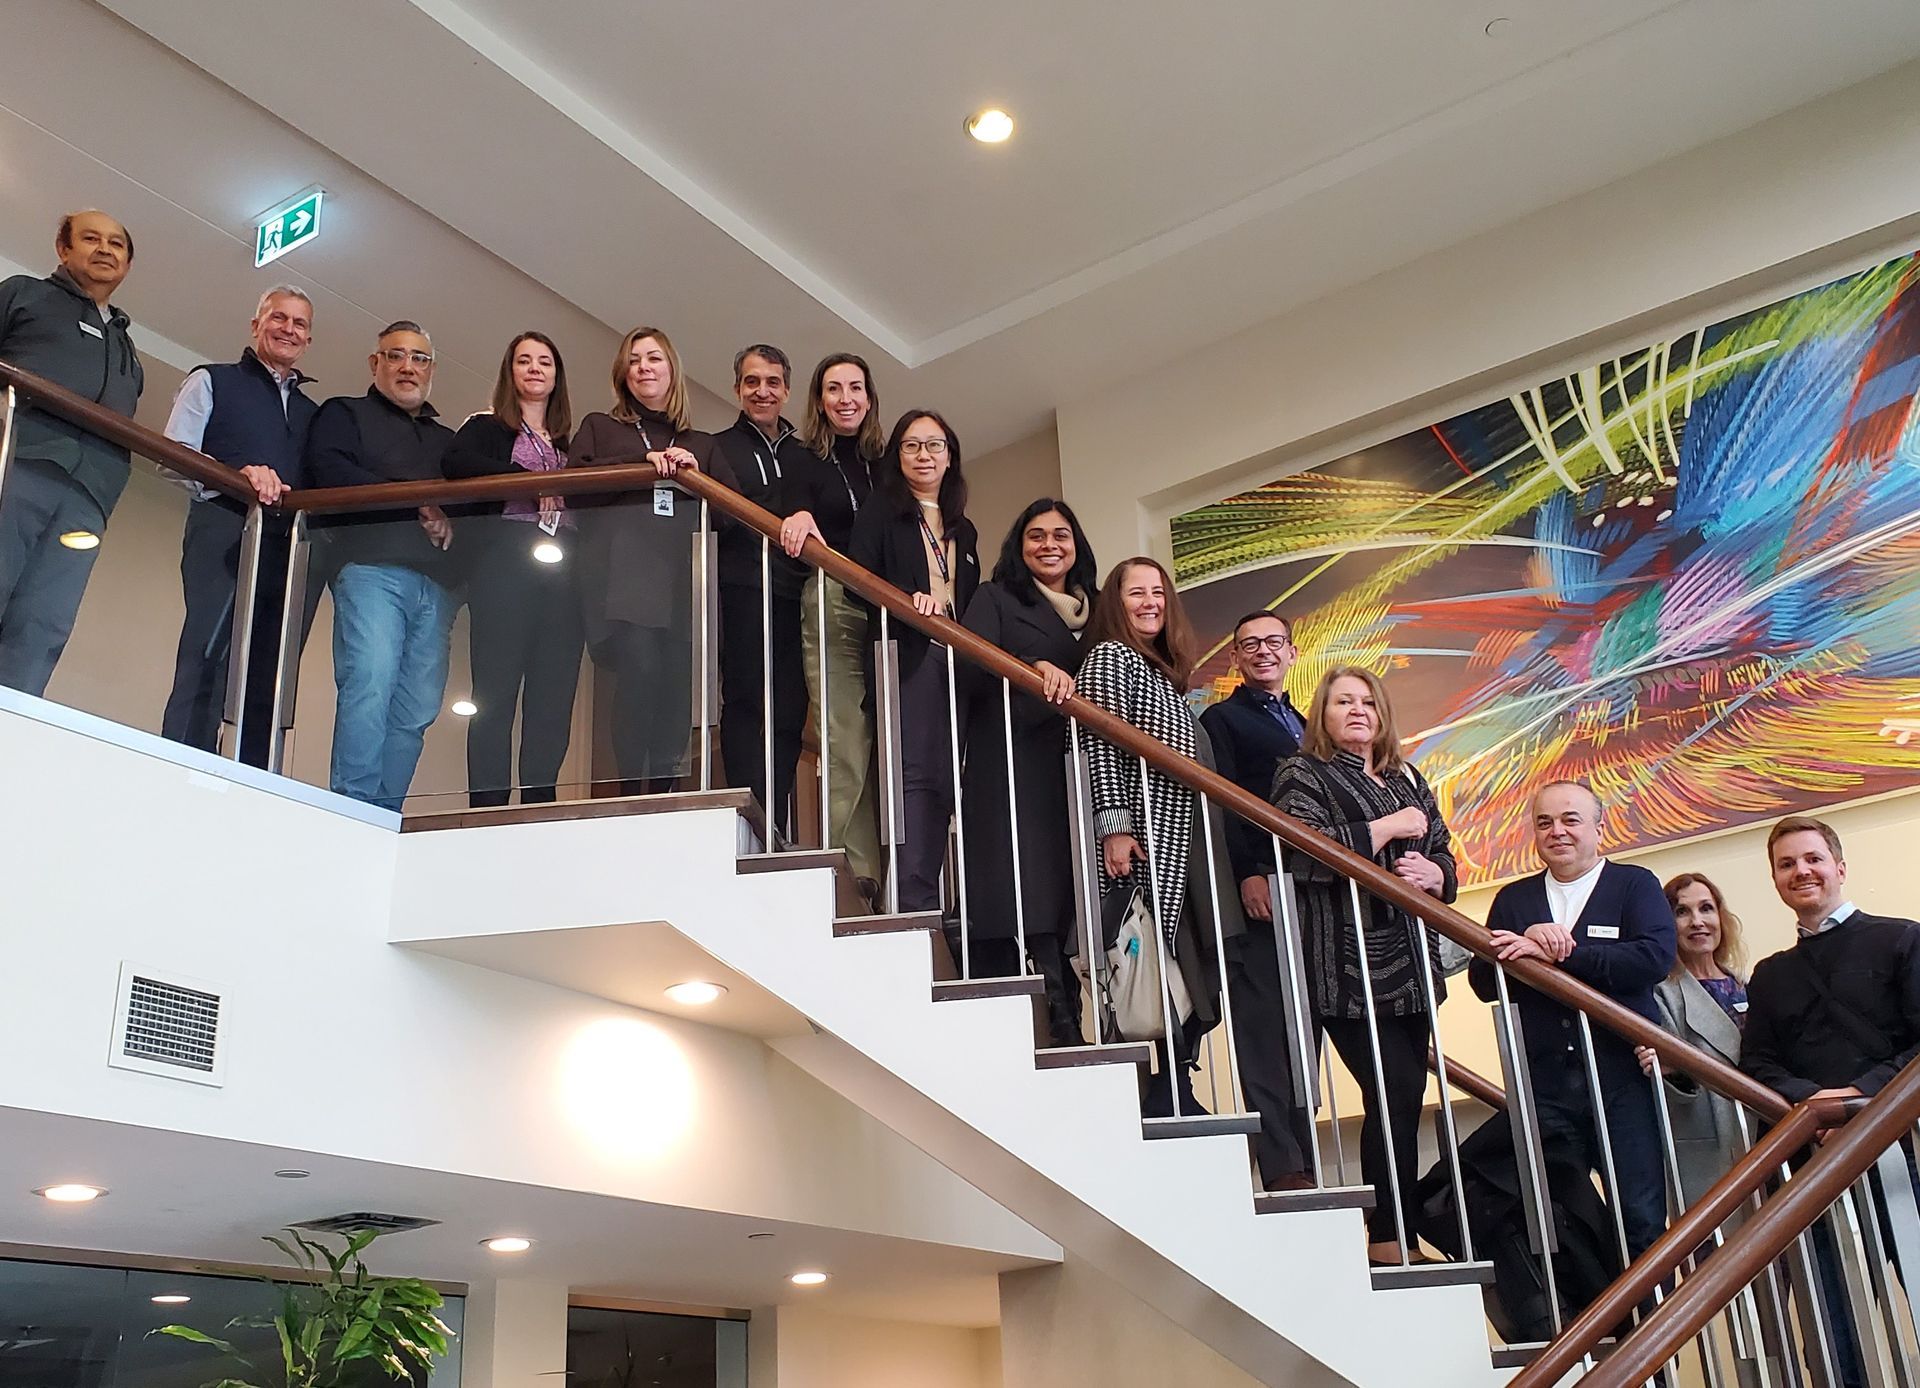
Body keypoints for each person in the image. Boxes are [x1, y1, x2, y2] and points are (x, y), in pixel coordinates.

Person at [1272, 666, 1457, 1258]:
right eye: (1343, 701)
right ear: (1322, 714)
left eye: (1368, 702)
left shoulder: (1408, 775)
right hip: (1344, 966)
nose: (1357, 710)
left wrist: (1438, 876)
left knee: (1399, 1096)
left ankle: (1392, 1226)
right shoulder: (1302, 772)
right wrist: (1388, 827)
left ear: (1383, 715)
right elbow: (1301, 851)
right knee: (1394, 1089)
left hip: (1412, 964)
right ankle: (1388, 1231)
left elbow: (1444, 853)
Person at [1741, 815, 1920, 1388]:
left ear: (1839, 867)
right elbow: (1759, 1065)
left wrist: (1859, 1100)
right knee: (1832, 1310)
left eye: (1813, 858)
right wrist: (1816, 1106)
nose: (1802, 871)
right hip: (1813, 1157)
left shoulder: (1902, 939)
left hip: (1901, 1150)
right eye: (1787, 864)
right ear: (1775, 880)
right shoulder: (1769, 976)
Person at [1470, 781, 1675, 1263]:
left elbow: (1653, 959)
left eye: (1570, 820)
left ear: (1599, 828)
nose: (1556, 831)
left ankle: (1652, 1331)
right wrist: (1523, 942)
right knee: (1558, 1217)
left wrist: (1566, 955)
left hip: (1624, 1077)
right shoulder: (1514, 900)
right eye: (1544, 822)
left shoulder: (1634, 884)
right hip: (1545, 1085)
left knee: (1639, 1214)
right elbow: (1482, 981)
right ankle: (1593, 1331)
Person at [1079, 557, 1243, 1119]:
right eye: (1135, 593)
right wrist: (1115, 828)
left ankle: (1178, 1079)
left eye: (1158, 592)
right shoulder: (1109, 657)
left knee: (1191, 957)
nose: (1150, 602)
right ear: (1114, 603)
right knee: (1162, 960)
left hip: (1188, 833)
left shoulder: (1163, 673)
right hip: (1150, 835)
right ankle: (1165, 1083)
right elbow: (1099, 742)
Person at [569, 326, 735, 795]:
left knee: (677, 690)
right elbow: (572, 480)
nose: (644, 367)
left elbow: (737, 514)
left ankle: (663, 793)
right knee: (639, 673)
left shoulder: (701, 442)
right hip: (625, 578)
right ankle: (629, 791)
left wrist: (700, 478)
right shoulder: (602, 427)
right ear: (624, 372)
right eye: (636, 359)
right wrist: (643, 461)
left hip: (684, 580)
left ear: (672, 370)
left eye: (654, 358)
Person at [159, 286, 319, 762]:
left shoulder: (313, 413)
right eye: (279, 318)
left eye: (300, 324)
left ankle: (252, 774)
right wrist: (237, 475)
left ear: (309, 339)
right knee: (208, 650)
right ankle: (182, 763)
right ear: (256, 325)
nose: (288, 329)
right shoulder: (211, 379)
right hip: (221, 527)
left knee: (267, 665)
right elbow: (173, 456)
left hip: (286, 548)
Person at [958, 499, 1097, 1047]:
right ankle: (1058, 1017)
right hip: (1015, 759)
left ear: (1076, 545)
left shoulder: (1100, 609)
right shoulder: (997, 597)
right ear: (1020, 546)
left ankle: (1085, 1011)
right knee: (1033, 884)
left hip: (1084, 767)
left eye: (1061, 535)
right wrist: (1030, 668)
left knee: (1076, 889)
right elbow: (967, 660)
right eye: (1035, 535)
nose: (1049, 545)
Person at [303, 321, 458, 811]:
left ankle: (383, 813)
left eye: (419, 358)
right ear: (375, 364)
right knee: (369, 681)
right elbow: (329, 471)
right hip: (370, 570)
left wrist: (449, 520)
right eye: (395, 356)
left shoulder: (448, 441)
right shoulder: (342, 414)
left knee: (417, 709)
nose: (407, 367)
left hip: (439, 587)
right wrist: (415, 506)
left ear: (432, 370)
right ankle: (352, 807)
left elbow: (472, 508)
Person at [0, 210, 142, 696]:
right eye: (91, 238)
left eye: (116, 244)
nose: (105, 249)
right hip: (18, 464)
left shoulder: (128, 347)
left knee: (45, 623)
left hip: (88, 497)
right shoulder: (22, 294)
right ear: (63, 249)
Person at [1200, 611, 1315, 1191]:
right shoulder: (1223, 718)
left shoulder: (1306, 722)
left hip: (1312, 893)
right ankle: (1281, 1162)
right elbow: (1222, 802)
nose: (1262, 651)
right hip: (1263, 886)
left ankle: (1306, 1152)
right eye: (1249, 645)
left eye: (1273, 642)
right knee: (1265, 1023)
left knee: (1305, 1029)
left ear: (1293, 652)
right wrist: (1247, 873)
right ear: (1236, 659)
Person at [442, 331, 583, 806]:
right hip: (505, 564)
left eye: (545, 361)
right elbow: (455, 461)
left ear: (557, 375)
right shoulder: (488, 425)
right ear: (510, 371)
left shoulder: (571, 440)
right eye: (524, 361)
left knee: (554, 692)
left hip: (563, 572)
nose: (535, 369)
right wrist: (527, 482)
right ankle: (487, 804)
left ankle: (539, 800)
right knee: (496, 689)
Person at [848, 410, 978, 913]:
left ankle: (932, 899)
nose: (924, 455)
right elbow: (858, 580)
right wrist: (908, 599)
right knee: (913, 780)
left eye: (935, 445)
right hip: (907, 654)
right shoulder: (880, 511)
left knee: (947, 782)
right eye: (912, 446)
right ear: (897, 456)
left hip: (956, 663)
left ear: (950, 457)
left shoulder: (963, 530)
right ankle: (910, 901)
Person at [779, 354, 884, 902]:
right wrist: (798, 518)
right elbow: (795, 514)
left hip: (887, 613)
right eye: (834, 388)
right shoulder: (803, 456)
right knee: (844, 737)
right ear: (820, 400)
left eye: (856, 388)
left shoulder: (885, 465)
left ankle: (883, 876)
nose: (846, 398)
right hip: (834, 599)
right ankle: (850, 870)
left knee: (884, 742)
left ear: (869, 398)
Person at [711, 344, 811, 837]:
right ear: (737, 389)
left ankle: (774, 819)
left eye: (772, 382)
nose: (762, 391)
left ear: (786, 390)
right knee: (747, 700)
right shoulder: (718, 446)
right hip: (742, 588)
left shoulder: (806, 452)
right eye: (752, 381)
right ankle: (747, 818)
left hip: (797, 594)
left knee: (791, 709)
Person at [1634, 873, 1750, 1216]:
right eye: (1682, 912)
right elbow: (1663, 1072)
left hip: (1761, 1139)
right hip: (1705, 1145)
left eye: (1706, 909)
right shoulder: (1658, 993)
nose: (1697, 921)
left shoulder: (1745, 985)